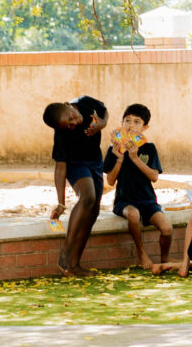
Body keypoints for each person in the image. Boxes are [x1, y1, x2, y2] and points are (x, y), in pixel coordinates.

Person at [43, 96, 108, 276]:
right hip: (76, 165)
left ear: (68, 105)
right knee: (88, 196)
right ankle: (66, 247)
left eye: (71, 117)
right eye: (69, 125)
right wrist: (61, 203)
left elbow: (104, 110)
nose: (74, 123)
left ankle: (74, 266)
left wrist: (102, 124)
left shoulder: (87, 102)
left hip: (95, 162)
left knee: (93, 211)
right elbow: (60, 169)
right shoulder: (62, 135)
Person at [105, 103, 172, 269]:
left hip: (148, 201)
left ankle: (165, 261)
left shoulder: (149, 148)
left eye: (136, 122)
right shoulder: (113, 149)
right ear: (122, 123)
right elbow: (110, 181)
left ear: (145, 127)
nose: (131, 125)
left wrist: (134, 157)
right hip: (124, 201)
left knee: (167, 229)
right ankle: (141, 253)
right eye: (127, 121)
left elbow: (154, 177)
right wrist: (120, 158)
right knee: (133, 215)